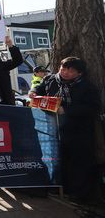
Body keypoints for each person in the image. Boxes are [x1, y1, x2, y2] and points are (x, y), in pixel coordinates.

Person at [29, 57, 101, 202]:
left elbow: (93, 108)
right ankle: (58, 187)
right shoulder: (51, 79)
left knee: (78, 162)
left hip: (77, 130)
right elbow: (39, 89)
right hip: (52, 127)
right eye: (63, 69)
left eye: (70, 70)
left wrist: (67, 110)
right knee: (56, 159)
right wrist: (34, 92)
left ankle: (80, 194)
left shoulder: (87, 87)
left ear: (79, 73)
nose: (65, 73)